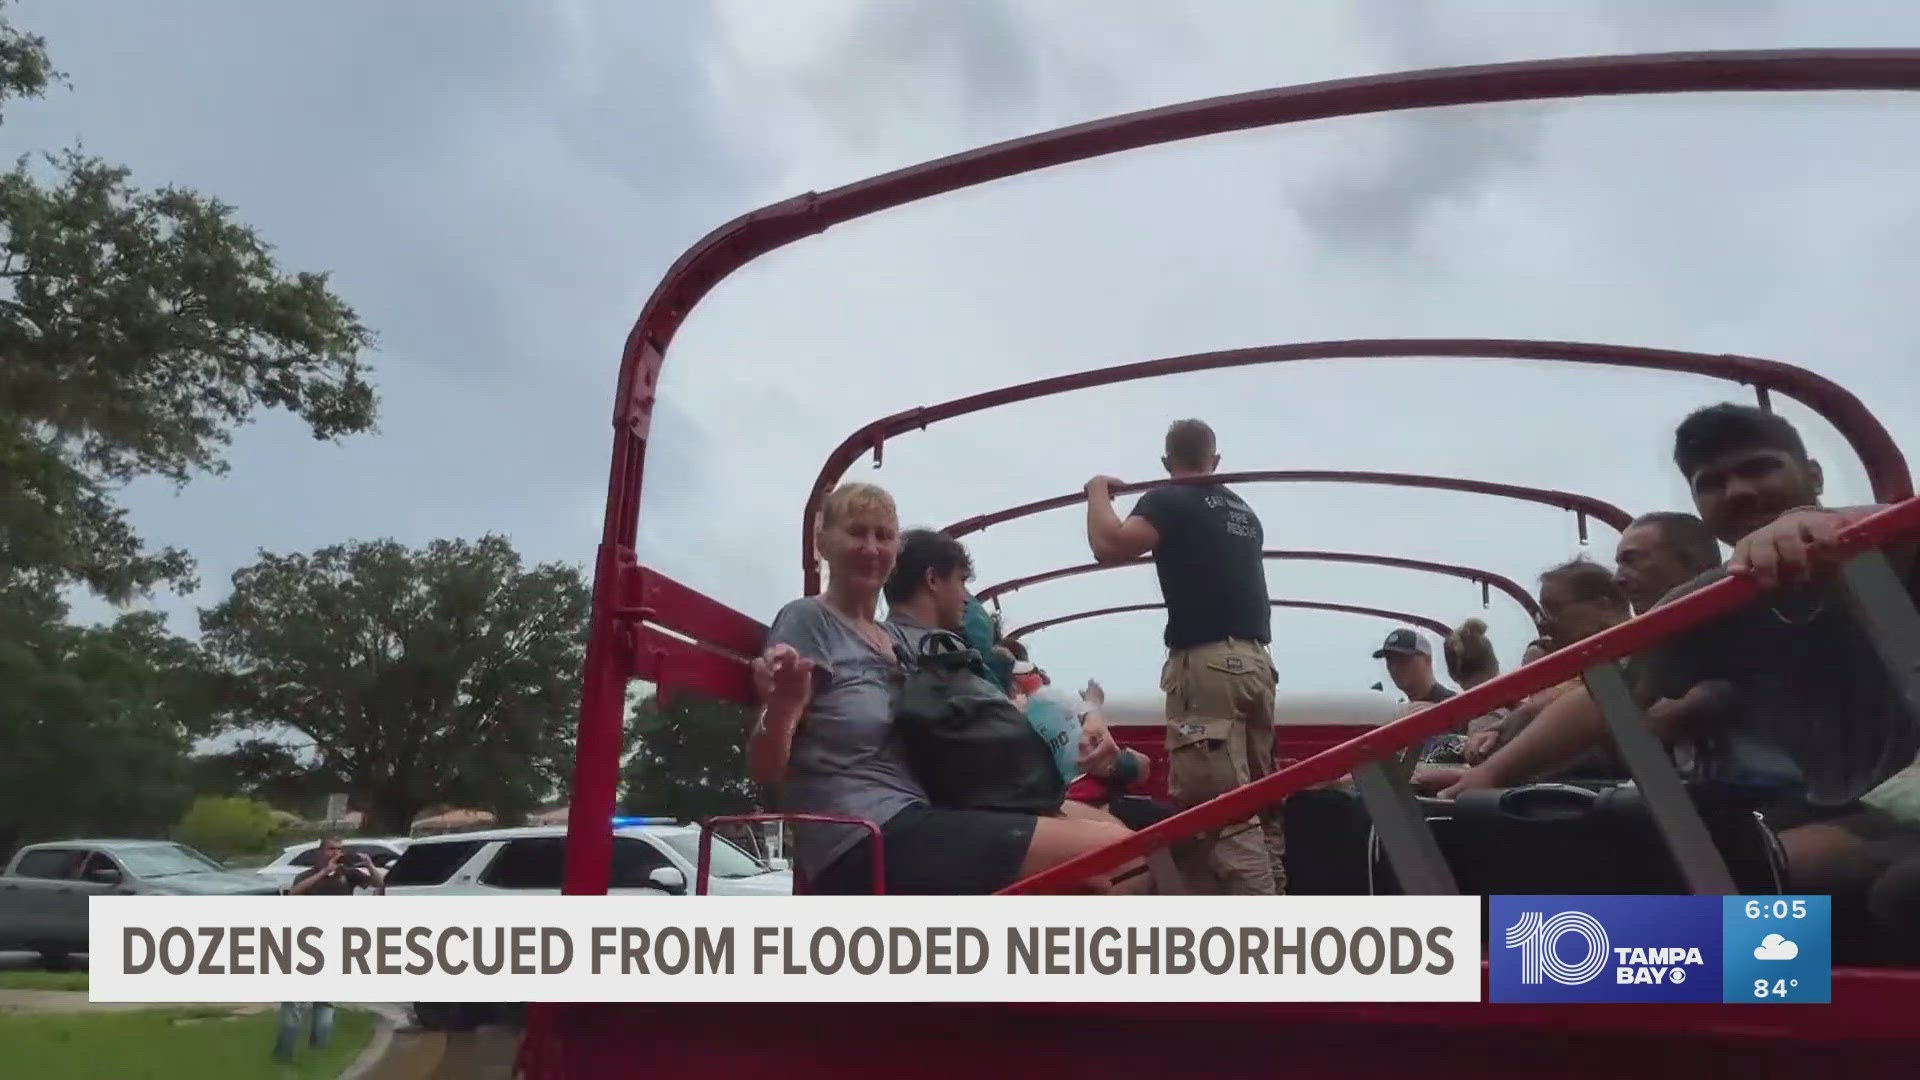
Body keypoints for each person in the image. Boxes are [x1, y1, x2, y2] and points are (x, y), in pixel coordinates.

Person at [1443, 403, 1920, 899]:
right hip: (1838, 805)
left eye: (1760, 467)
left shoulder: (1881, 543)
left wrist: (1815, 522)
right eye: (1712, 483)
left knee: (1728, 887)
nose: (1739, 489)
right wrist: (1489, 774)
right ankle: (1431, 967)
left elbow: (1898, 526)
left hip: (1892, 808)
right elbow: (1609, 694)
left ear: (1814, 474)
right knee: (1589, 869)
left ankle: (1770, 974)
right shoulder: (1712, 601)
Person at [747, 486, 1141, 895]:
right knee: (1116, 854)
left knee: (1108, 854)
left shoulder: (891, 641)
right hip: (860, 836)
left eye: (882, 536)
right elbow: (765, 768)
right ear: (823, 542)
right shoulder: (809, 620)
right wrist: (782, 706)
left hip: (921, 812)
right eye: (856, 533)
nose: (871, 548)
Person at [1082, 418, 1284, 895]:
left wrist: (1096, 492)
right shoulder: (1244, 511)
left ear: (1167, 464)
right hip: (1257, 664)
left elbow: (1109, 546)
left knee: (1220, 810)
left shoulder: (1170, 498)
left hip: (1209, 663)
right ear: (1215, 461)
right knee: (1259, 802)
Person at [276, 837, 380, 1063]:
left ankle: (318, 1052)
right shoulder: (307, 876)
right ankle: (284, 1053)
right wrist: (325, 872)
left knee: (325, 1002)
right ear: (321, 852)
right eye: (332, 848)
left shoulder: (348, 873)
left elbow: (378, 884)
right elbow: (293, 896)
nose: (336, 852)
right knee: (295, 1002)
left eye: (340, 849)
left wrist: (369, 865)